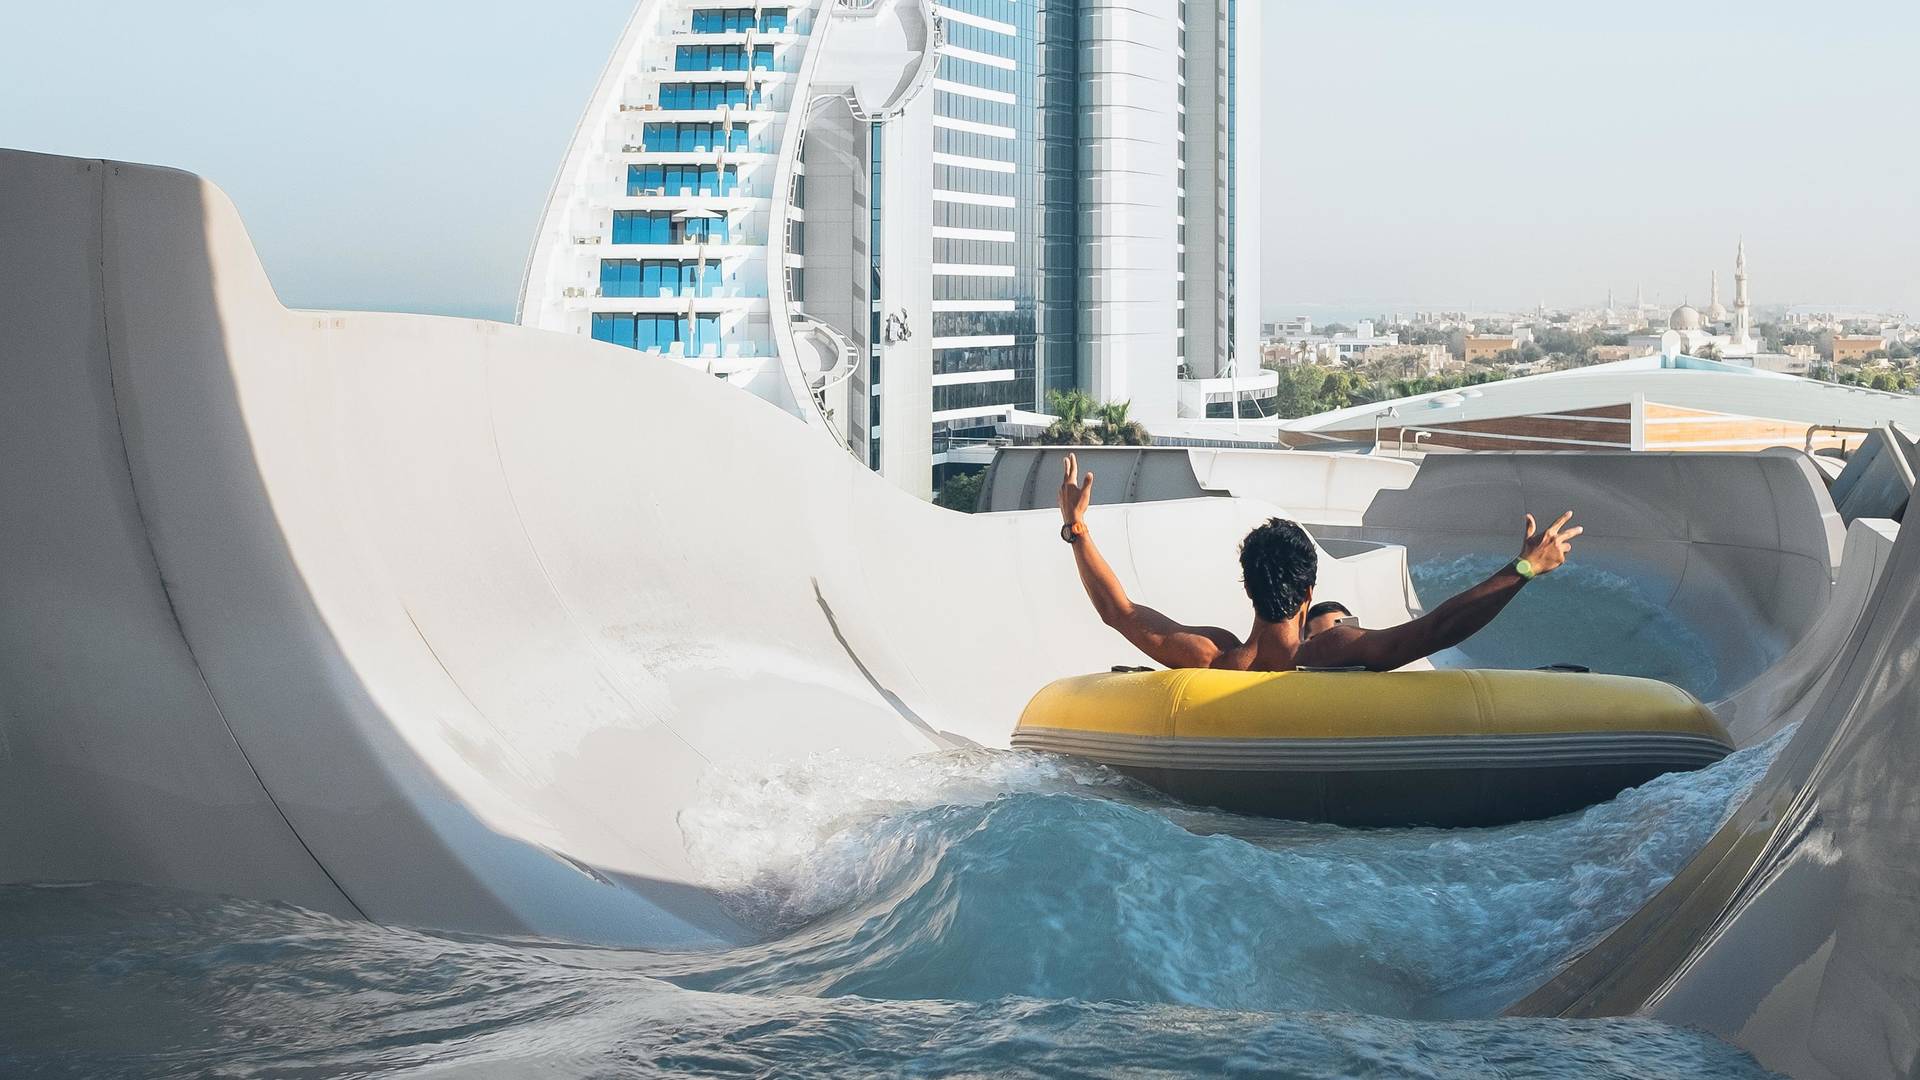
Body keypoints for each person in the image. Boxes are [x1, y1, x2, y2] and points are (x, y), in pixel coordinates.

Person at [1055, 452, 1580, 672]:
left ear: (1248, 587)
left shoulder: (1211, 658)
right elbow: (1438, 629)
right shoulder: (1329, 651)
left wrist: (1077, 529)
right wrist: (1524, 568)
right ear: (1308, 593)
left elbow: (1119, 612)